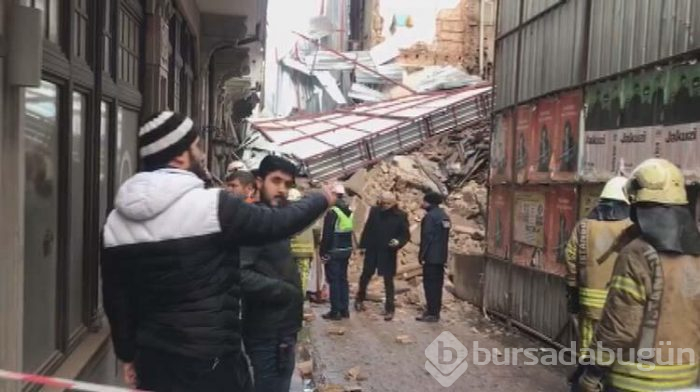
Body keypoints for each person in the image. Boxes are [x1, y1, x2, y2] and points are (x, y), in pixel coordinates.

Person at [101, 111, 334, 392]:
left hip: (153, 362)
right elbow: (277, 224)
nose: (201, 154)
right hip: (211, 364)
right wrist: (322, 198)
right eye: (196, 147)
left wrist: (127, 357)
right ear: (179, 157)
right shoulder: (212, 207)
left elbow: (117, 299)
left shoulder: (115, 221)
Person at [575, 158, 700, 392]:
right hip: (688, 382)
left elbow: (620, 327)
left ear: (638, 207)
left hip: (634, 382)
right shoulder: (696, 254)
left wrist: (591, 373)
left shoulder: (638, 253)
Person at [240, 156, 305, 392]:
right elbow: (238, 273)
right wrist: (282, 291)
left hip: (281, 328)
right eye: (276, 181)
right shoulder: (256, 223)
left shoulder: (272, 219)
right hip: (268, 332)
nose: (282, 189)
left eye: (287, 184)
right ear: (259, 181)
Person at [564, 176, 631, 359]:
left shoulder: (584, 226)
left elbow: (570, 258)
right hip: (620, 306)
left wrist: (573, 289)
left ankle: (586, 381)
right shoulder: (631, 229)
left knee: (587, 348)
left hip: (588, 302)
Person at [355, 191, 410, 321]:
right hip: (373, 249)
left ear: (394, 203)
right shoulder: (375, 211)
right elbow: (368, 228)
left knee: (388, 280)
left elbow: (405, 235)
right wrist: (363, 246)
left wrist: (398, 242)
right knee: (365, 275)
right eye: (383, 202)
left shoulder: (401, 216)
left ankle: (389, 308)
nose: (385, 205)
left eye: (388, 203)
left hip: (388, 251)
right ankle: (359, 299)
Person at [319, 184, 354, 320]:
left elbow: (327, 234)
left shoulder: (333, 212)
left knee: (333, 280)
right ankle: (344, 309)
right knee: (342, 279)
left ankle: (335, 311)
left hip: (334, 250)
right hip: (346, 249)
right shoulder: (348, 210)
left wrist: (323, 252)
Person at [416, 192, 451, 323]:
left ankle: (432, 313)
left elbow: (427, 238)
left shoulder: (430, 217)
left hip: (431, 257)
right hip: (441, 257)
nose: (422, 203)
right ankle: (435, 311)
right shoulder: (444, 217)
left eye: (424, 201)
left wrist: (422, 255)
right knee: (437, 285)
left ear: (429, 202)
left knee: (430, 285)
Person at [288, 188, 314, 294]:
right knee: (303, 274)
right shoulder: (309, 213)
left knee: (290, 274)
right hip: (306, 251)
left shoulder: (286, 213)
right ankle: (301, 296)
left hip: (291, 251)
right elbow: (317, 230)